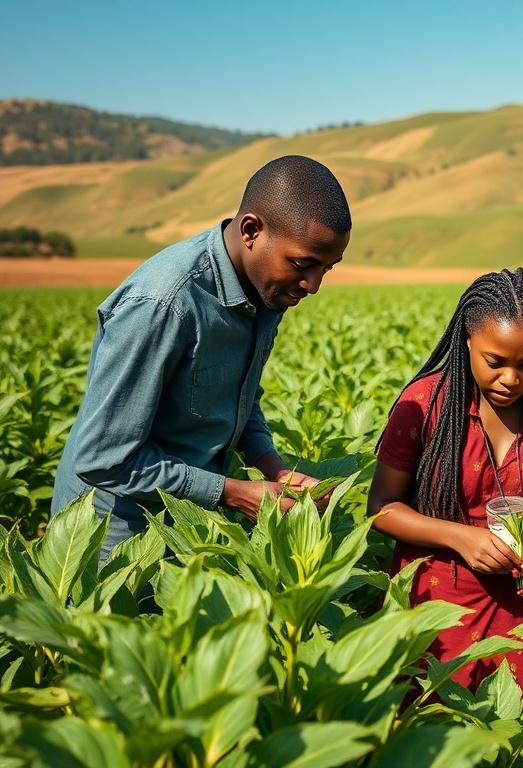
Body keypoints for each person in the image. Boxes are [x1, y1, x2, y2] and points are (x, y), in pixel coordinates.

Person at [52, 155, 352, 558]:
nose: (313, 285)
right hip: (113, 538)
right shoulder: (163, 303)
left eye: (327, 269)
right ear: (251, 230)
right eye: (303, 264)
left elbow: (237, 394)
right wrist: (231, 492)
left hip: (191, 526)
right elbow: (103, 457)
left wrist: (272, 466)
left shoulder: (267, 290)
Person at [367, 268, 523, 763]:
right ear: (466, 340)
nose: (511, 378)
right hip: (438, 596)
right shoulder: (426, 404)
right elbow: (382, 508)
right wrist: (460, 537)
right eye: (495, 362)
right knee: (440, 733)